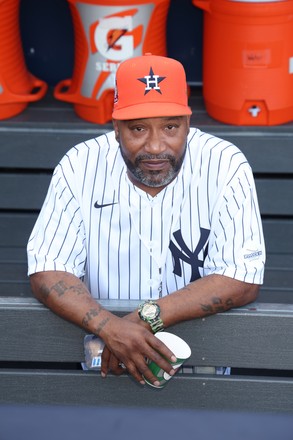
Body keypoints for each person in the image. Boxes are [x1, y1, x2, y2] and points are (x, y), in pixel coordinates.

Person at [27, 53, 265, 387]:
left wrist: (140, 321)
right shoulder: (79, 166)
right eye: (138, 128)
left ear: (188, 122)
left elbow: (242, 278)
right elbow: (47, 269)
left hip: (205, 368)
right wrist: (110, 328)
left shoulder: (225, 165)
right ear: (115, 128)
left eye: (170, 126)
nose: (155, 146)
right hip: (104, 368)